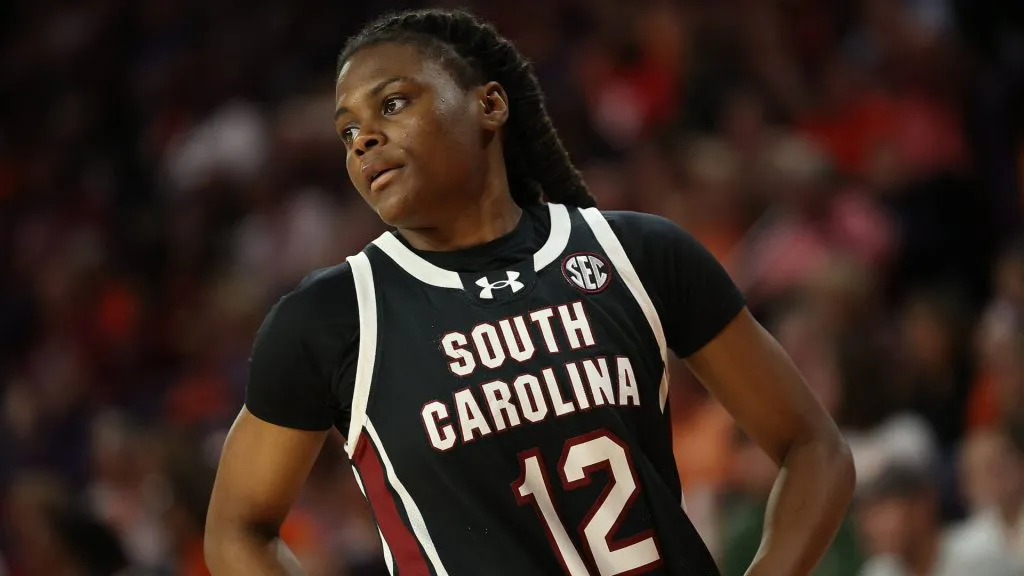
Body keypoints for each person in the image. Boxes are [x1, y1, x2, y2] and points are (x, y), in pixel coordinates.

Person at [204, 8, 855, 575]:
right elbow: (235, 531)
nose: (364, 138)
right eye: (348, 131)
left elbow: (813, 447)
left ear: (490, 104)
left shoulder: (635, 255)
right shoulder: (332, 317)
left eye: (393, 104)